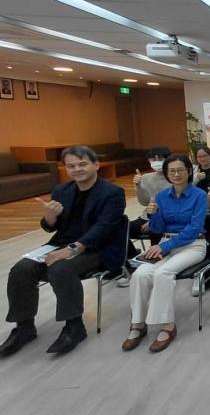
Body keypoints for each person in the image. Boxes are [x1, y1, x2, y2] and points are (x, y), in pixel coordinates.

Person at [1, 146, 125, 356]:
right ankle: (24, 327)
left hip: (98, 248)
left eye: (82, 164)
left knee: (60, 269)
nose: (77, 169)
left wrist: (72, 250)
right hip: (62, 243)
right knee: (21, 268)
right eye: (71, 166)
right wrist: (49, 217)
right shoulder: (61, 191)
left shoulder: (112, 193)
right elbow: (52, 227)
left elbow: (104, 228)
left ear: (96, 165)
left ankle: (74, 326)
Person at [122, 154, 208, 353]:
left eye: (180, 170)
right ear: (167, 174)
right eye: (172, 171)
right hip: (165, 242)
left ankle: (167, 326)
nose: (176, 174)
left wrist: (165, 247)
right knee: (140, 274)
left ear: (189, 171)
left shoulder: (199, 195)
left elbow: (194, 228)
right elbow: (158, 229)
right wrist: (153, 215)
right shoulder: (160, 196)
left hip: (193, 244)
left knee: (163, 273)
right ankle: (138, 324)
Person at [118, 146, 172, 287]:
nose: (156, 162)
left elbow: (174, 203)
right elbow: (144, 202)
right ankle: (131, 265)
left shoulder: (174, 176)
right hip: (146, 215)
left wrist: (154, 219)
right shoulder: (146, 177)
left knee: (156, 228)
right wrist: (138, 186)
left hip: (166, 218)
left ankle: (153, 267)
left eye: (160, 158)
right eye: (153, 159)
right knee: (121, 230)